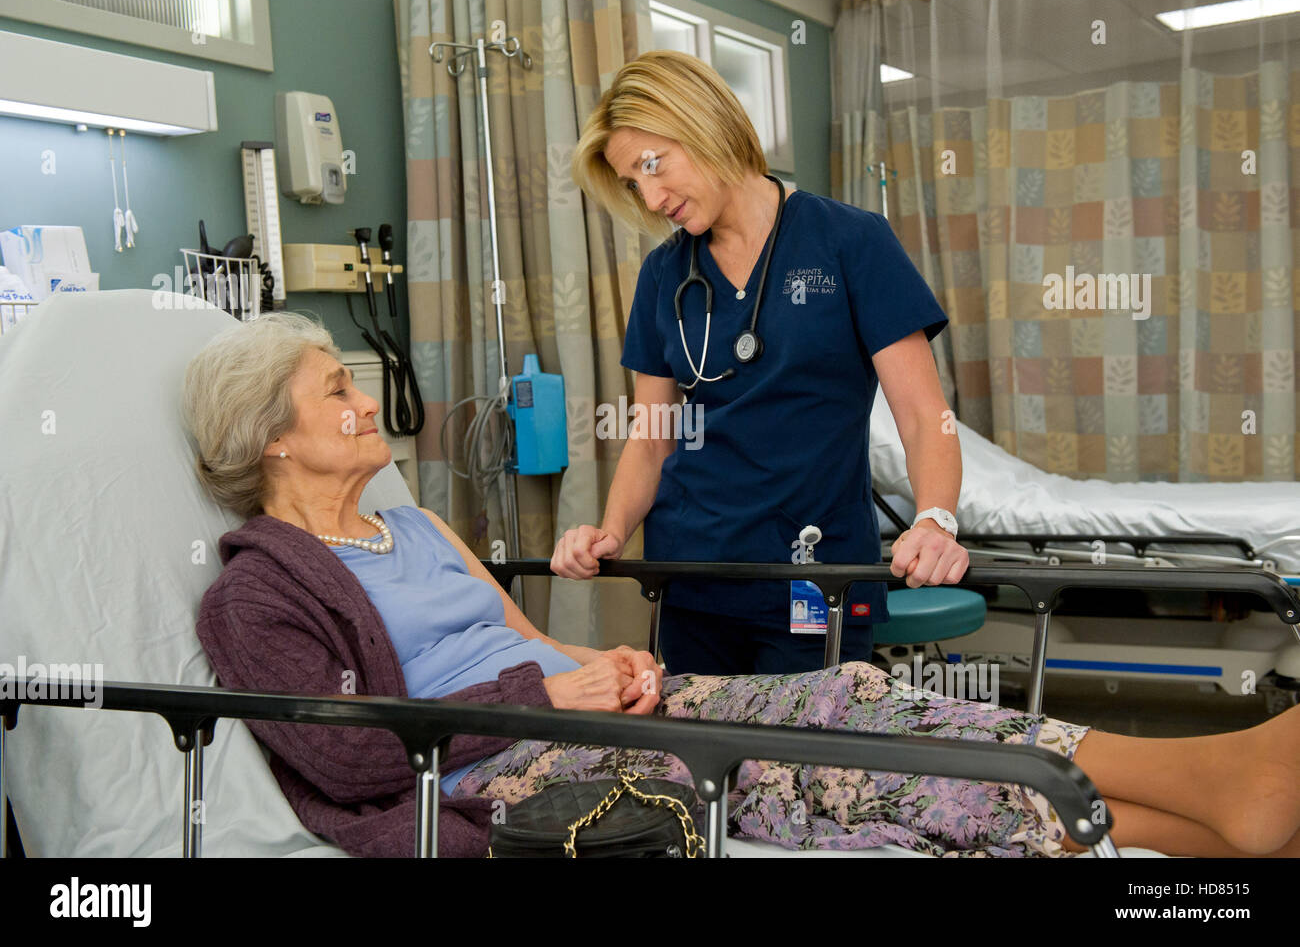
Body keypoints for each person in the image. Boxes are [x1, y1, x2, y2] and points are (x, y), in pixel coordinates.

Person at [184, 312, 1300, 858]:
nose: (364, 403)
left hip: (574, 715)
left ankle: (1212, 793)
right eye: (335, 393)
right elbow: (357, 754)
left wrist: (607, 665)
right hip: (496, 765)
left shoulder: (417, 524)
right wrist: (543, 700)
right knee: (840, 775)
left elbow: (526, 634)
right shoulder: (262, 595)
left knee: (854, 695)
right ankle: (1214, 819)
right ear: (271, 442)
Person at [552, 51, 967, 675]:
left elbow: (922, 415)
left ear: (702, 122)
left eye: (652, 165)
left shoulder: (851, 241)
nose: (653, 197)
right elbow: (652, 436)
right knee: (709, 766)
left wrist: (936, 520)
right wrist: (611, 531)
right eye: (636, 184)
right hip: (692, 575)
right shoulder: (664, 273)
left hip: (816, 575)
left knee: (809, 764)